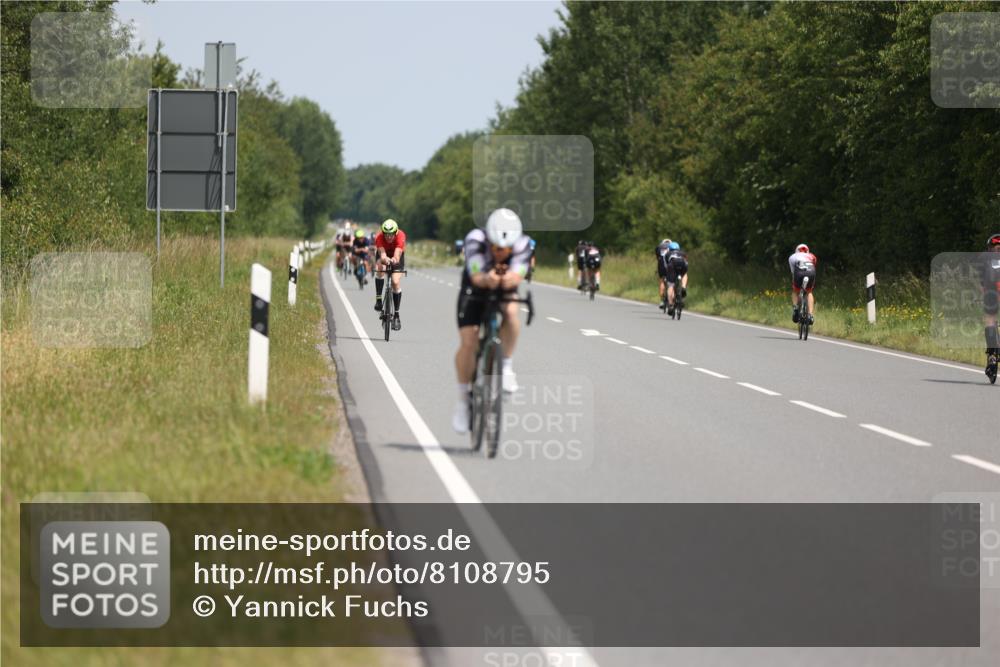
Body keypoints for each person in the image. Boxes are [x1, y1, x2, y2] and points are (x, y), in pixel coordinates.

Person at [452, 208, 532, 433]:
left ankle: (506, 367)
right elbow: (478, 277)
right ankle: (462, 401)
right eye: (495, 247)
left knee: (510, 311)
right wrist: (489, 278)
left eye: (504, 249)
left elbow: (516, 276)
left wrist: (506, 279)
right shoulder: (475, 240)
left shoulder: (523, 244)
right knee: (469, 342)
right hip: (475, 287)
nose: (499, 252)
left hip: (503, 285)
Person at [374, 219, 406, 331]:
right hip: (384, 255)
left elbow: (397, 254)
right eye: (386, 234)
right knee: (381, 268)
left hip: (397, 256)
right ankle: (378, 298)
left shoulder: (401, 236)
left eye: (391, 234)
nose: (388, 237)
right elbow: (382, 254)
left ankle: (396, 315)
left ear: (395, 232)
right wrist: (385, 259)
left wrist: (394, 259)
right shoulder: (379, 237)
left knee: (395, 282)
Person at [982, 233, 1000, 382]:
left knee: (990, 320)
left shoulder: (985, 258)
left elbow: (982, 281)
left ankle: (992, 355)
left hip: (991, 293)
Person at [788, 243, 818, 324]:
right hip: (811, 272)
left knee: (795, 291)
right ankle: (810, 315)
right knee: (809, 292)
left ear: (796, 250)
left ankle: (795, 308)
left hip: (799, 273)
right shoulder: (812, 256)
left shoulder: (792, 257)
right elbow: (813, 266)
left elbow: (793, 272)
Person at [663, 241, 688, 316]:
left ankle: (670, 305)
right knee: (684, 274)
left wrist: (668, 275)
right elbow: (686, 263)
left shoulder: (667, 254)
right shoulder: (683, 253)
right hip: (682, 263)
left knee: (670, 285)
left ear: (670, 248)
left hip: (672, 264)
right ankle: (683, 287)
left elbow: (666, 266)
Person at [655, 238, 673, 309]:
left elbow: (658, 258)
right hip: (671, 264)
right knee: (672, 281)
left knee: (662, 280)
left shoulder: (659, 247)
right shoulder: (672, 247)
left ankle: (662, 301)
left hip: (662, 264)